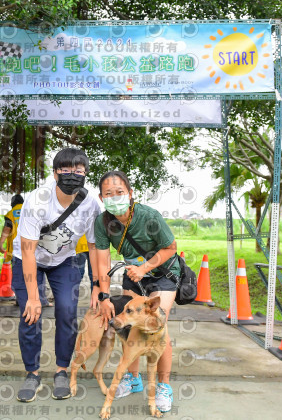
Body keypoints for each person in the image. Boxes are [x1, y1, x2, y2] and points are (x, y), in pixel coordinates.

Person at [11, 148, 101, 402]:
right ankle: (33, 373)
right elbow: (28, 251)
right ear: (54, 173)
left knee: (66, 310)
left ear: (85, 175)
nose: (73, 175)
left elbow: (94, 247)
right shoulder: (37, 199)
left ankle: (62, 370)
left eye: (79, 172)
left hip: (65, 261)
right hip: (27, 259)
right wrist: (33, 296)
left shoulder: (91, 203)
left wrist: (97, 285)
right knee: (31, 314)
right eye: (66, 170)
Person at [93, 170, 178, 413]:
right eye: (109, 194)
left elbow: (171, 247)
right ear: (101, 198)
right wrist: (105, 296)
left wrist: (145, 268)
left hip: (162, 273)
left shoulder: (148, 216)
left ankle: (163, 386)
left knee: (157, 323)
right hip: (133, 274)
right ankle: (134, 379)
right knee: (130, 323)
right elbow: (102, 262)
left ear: (130, 194)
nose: (115, 197)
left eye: (120, 192)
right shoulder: (102, 223)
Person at [0, 194, 52, 307]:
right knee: (37, 275)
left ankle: (20, 300)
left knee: (19, 275)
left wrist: (1, 243)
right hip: (33, 248)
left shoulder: (11, 214)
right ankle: (42, 300)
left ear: (12, 204)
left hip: (17, 249)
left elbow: (7, 229)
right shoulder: (29, 210)